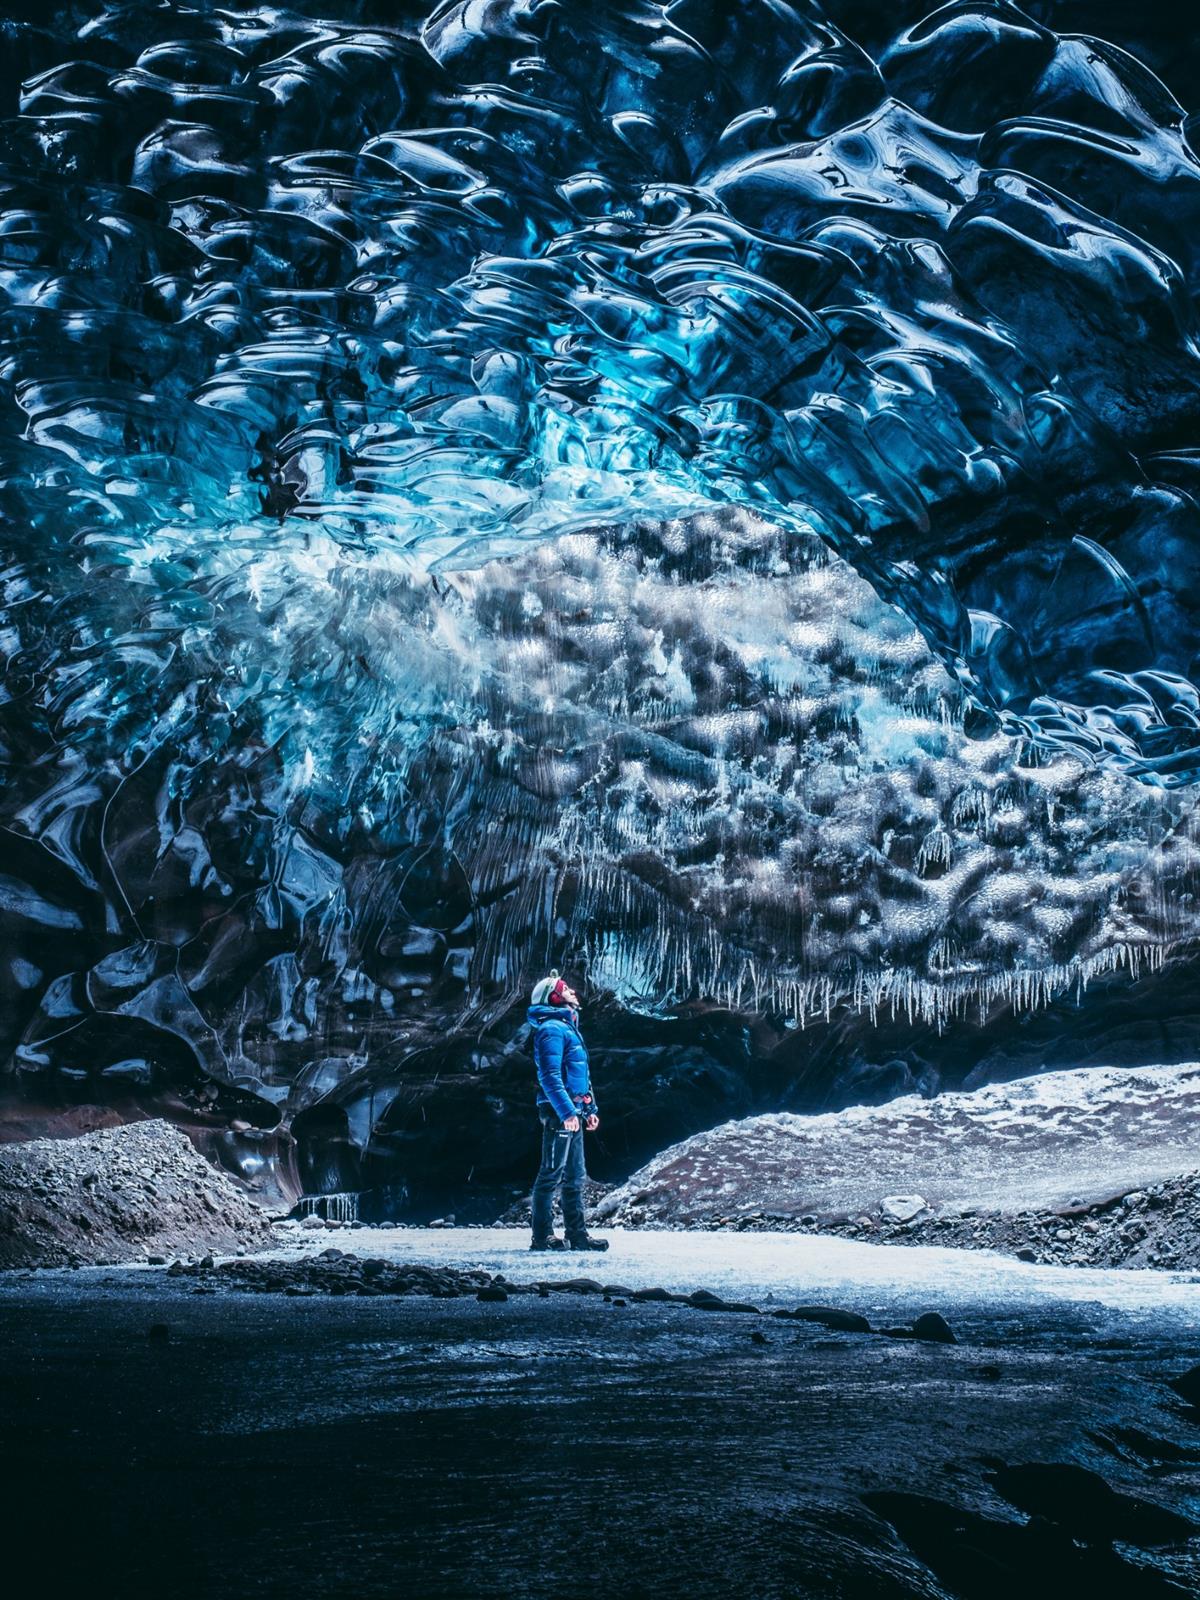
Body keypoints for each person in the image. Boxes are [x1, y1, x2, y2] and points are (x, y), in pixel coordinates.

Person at [527, 970, 609, 1252]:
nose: (572, 990)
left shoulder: (569, 1027)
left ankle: (577, 1235)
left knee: (575, 1176)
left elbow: (579, 1076)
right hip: (558, 1111)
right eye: (565, 988)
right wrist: (566, 1112)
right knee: (551, 1173)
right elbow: (549, 1077)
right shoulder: (550, 1029)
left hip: (572, 1111)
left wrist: (589, 1108)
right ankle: (542, 1236)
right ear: (553, 996)